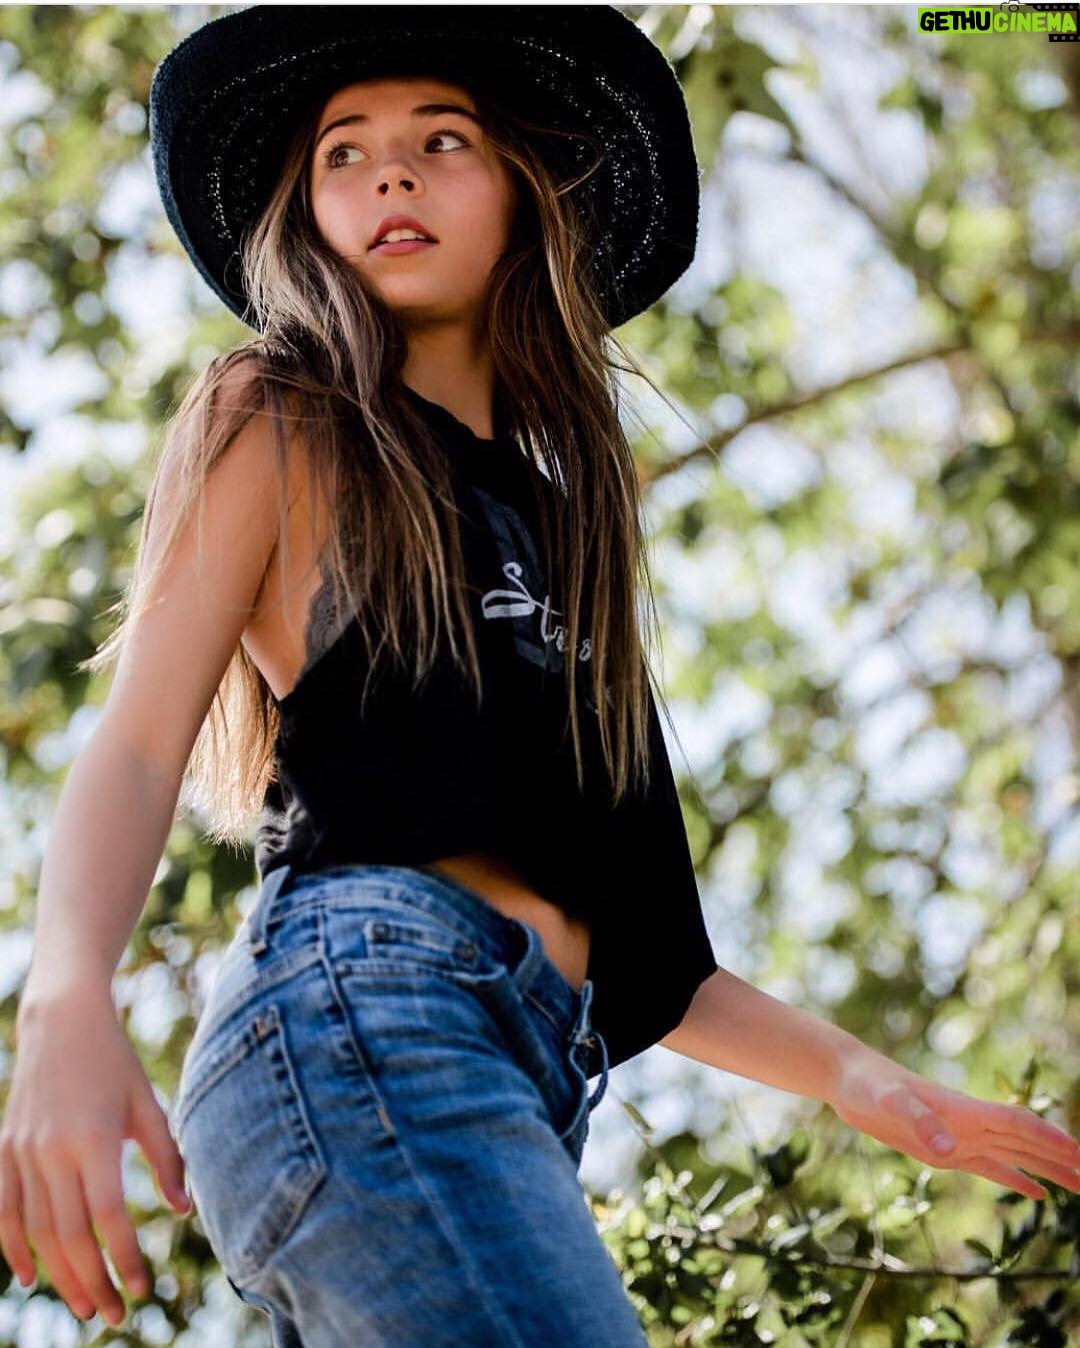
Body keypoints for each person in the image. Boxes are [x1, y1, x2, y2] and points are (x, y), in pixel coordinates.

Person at [2, 6, 1079, 1345]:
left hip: (497, 1068)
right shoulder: (288, 414)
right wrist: (65, 995)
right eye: (345, 152)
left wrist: (865, 1081)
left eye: (441, 140)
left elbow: (654, 963)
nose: (391, 176)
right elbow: (137, 742)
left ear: (523, 188)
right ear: (305, 213)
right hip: (370, 1009)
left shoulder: (569, 538)